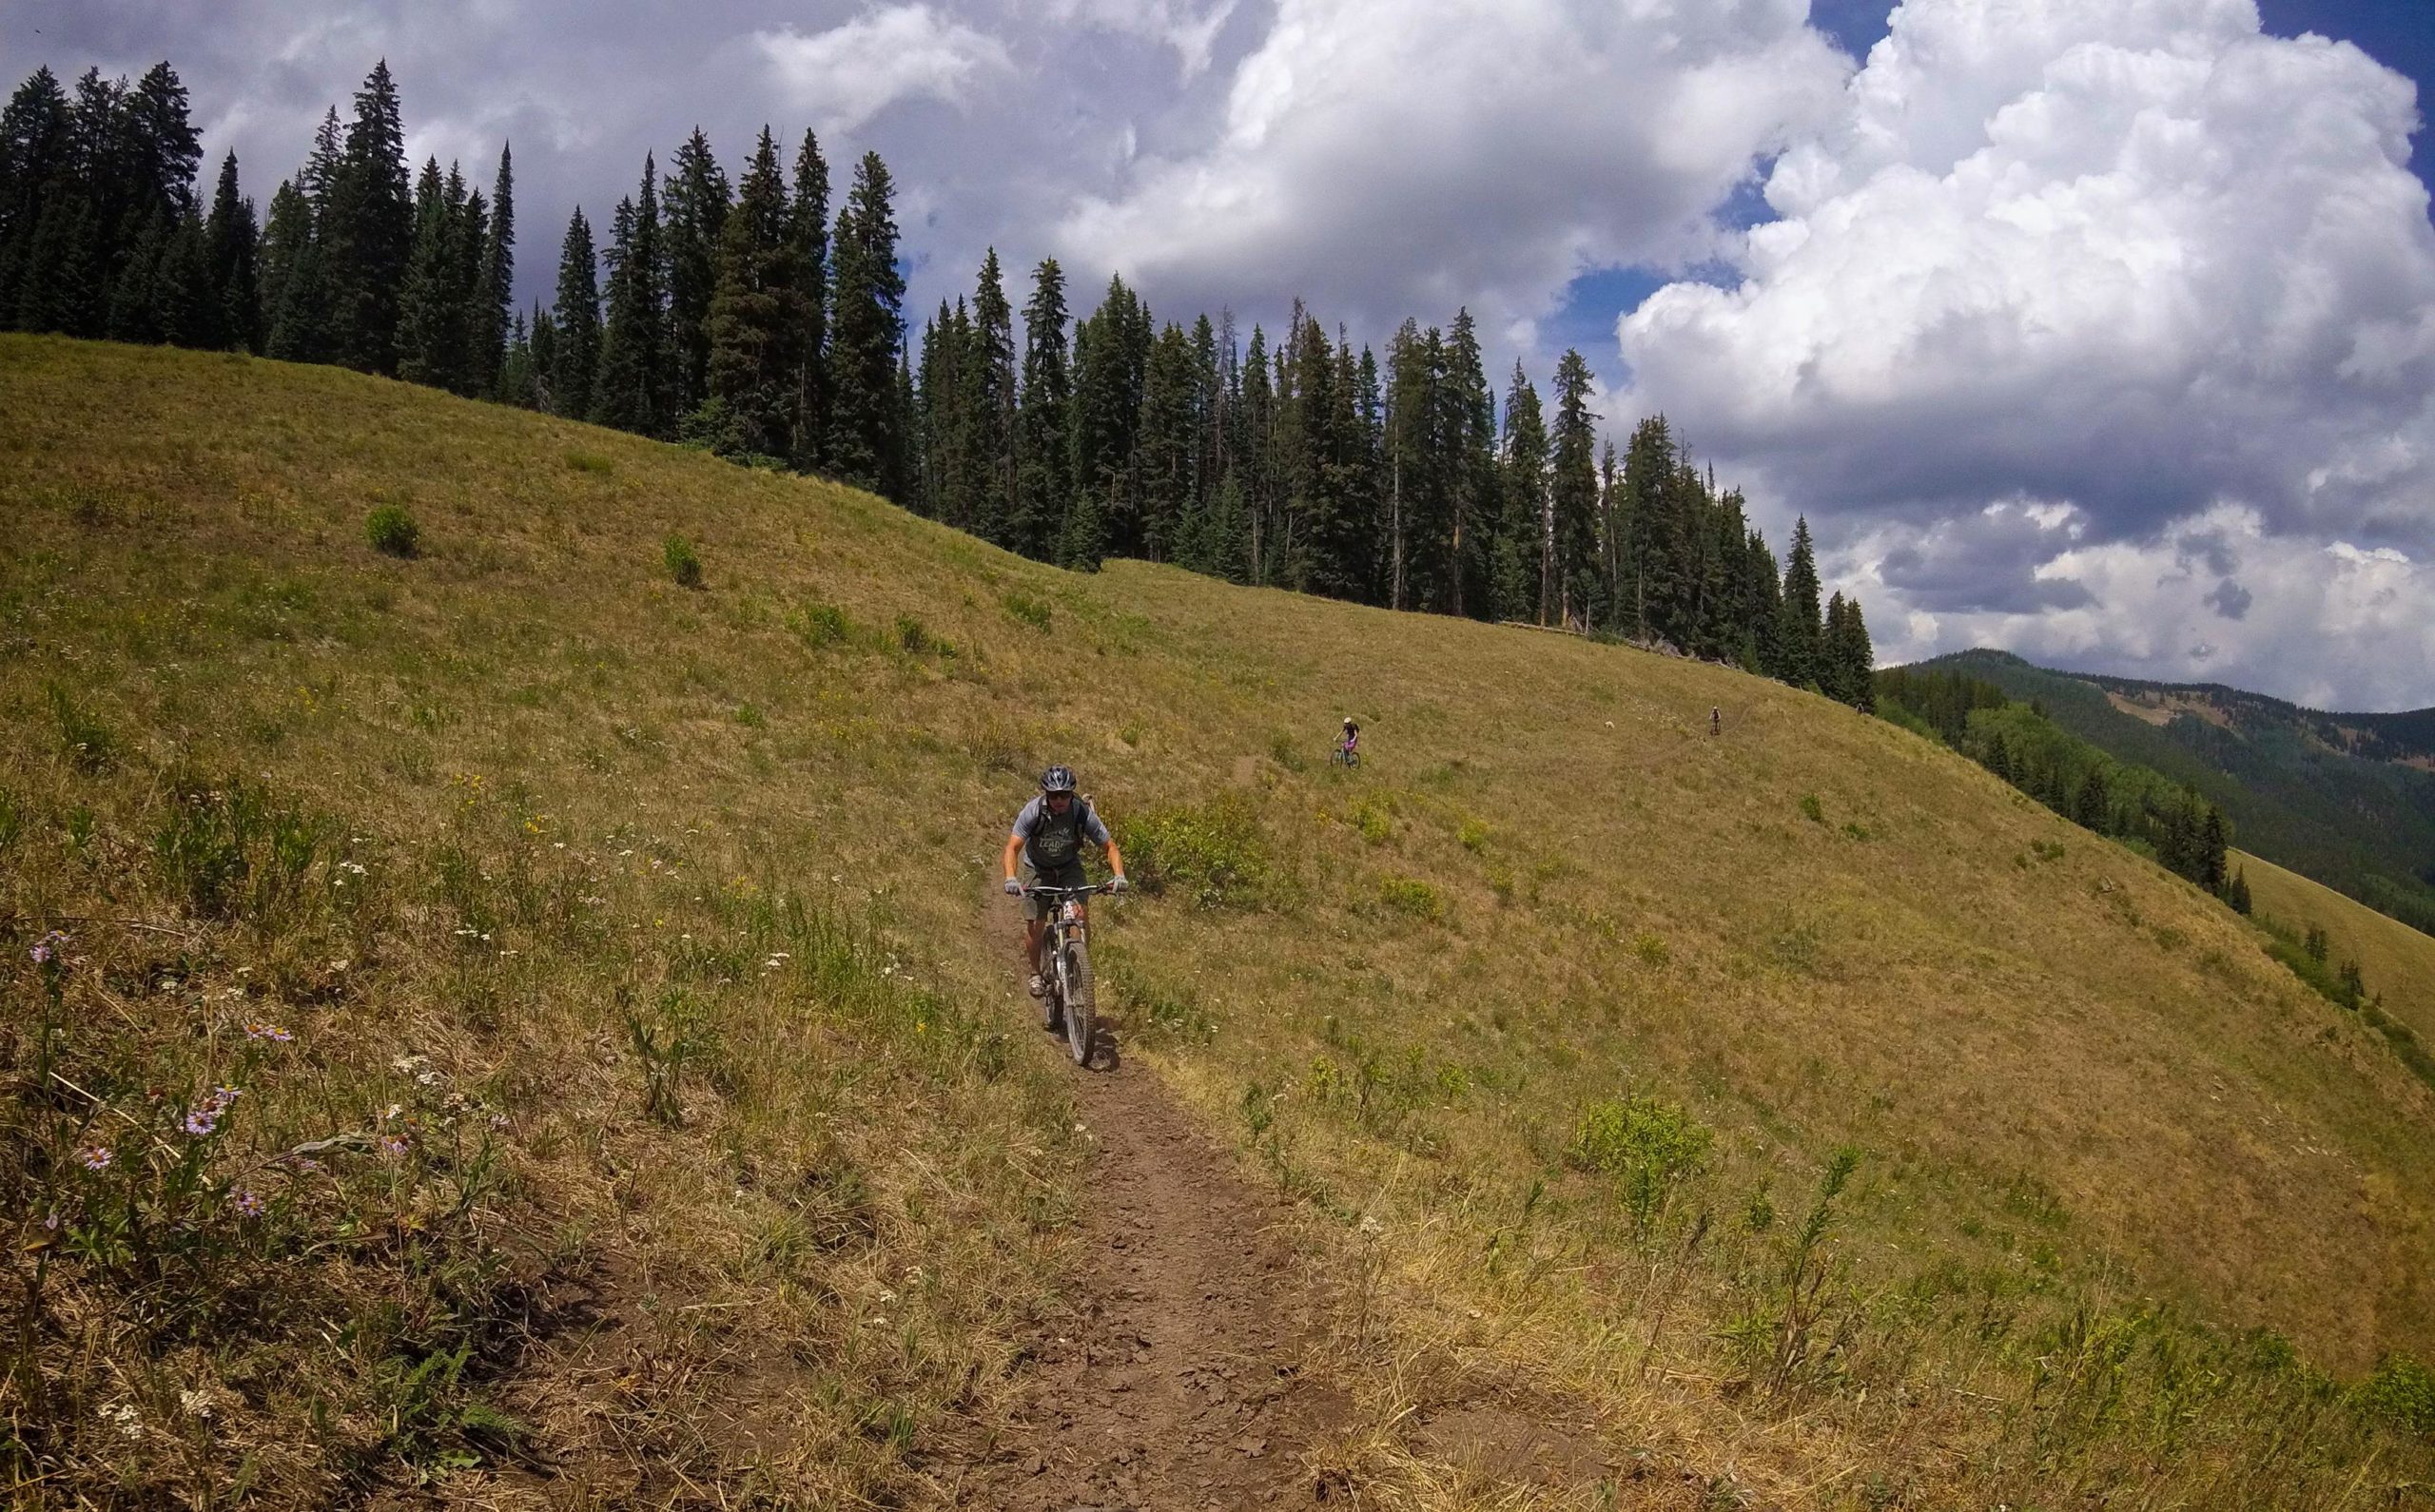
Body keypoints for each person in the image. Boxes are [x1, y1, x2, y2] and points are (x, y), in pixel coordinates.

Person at [1002, 766, 1128, 1001]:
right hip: (1038, 868)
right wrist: (1011, 877)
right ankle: (1036, 973)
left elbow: (1110, 846)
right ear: (1046, 795)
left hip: (1069, 867)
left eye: (1065, 795)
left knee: (1079, 916)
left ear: (1072, 793)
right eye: (1053, 795)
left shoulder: (1081, 812)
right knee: (1035, 921)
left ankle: (1078, 967)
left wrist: (1119, 875)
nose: (1059, 800)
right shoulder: (1033, 812)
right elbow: (1012, 847)